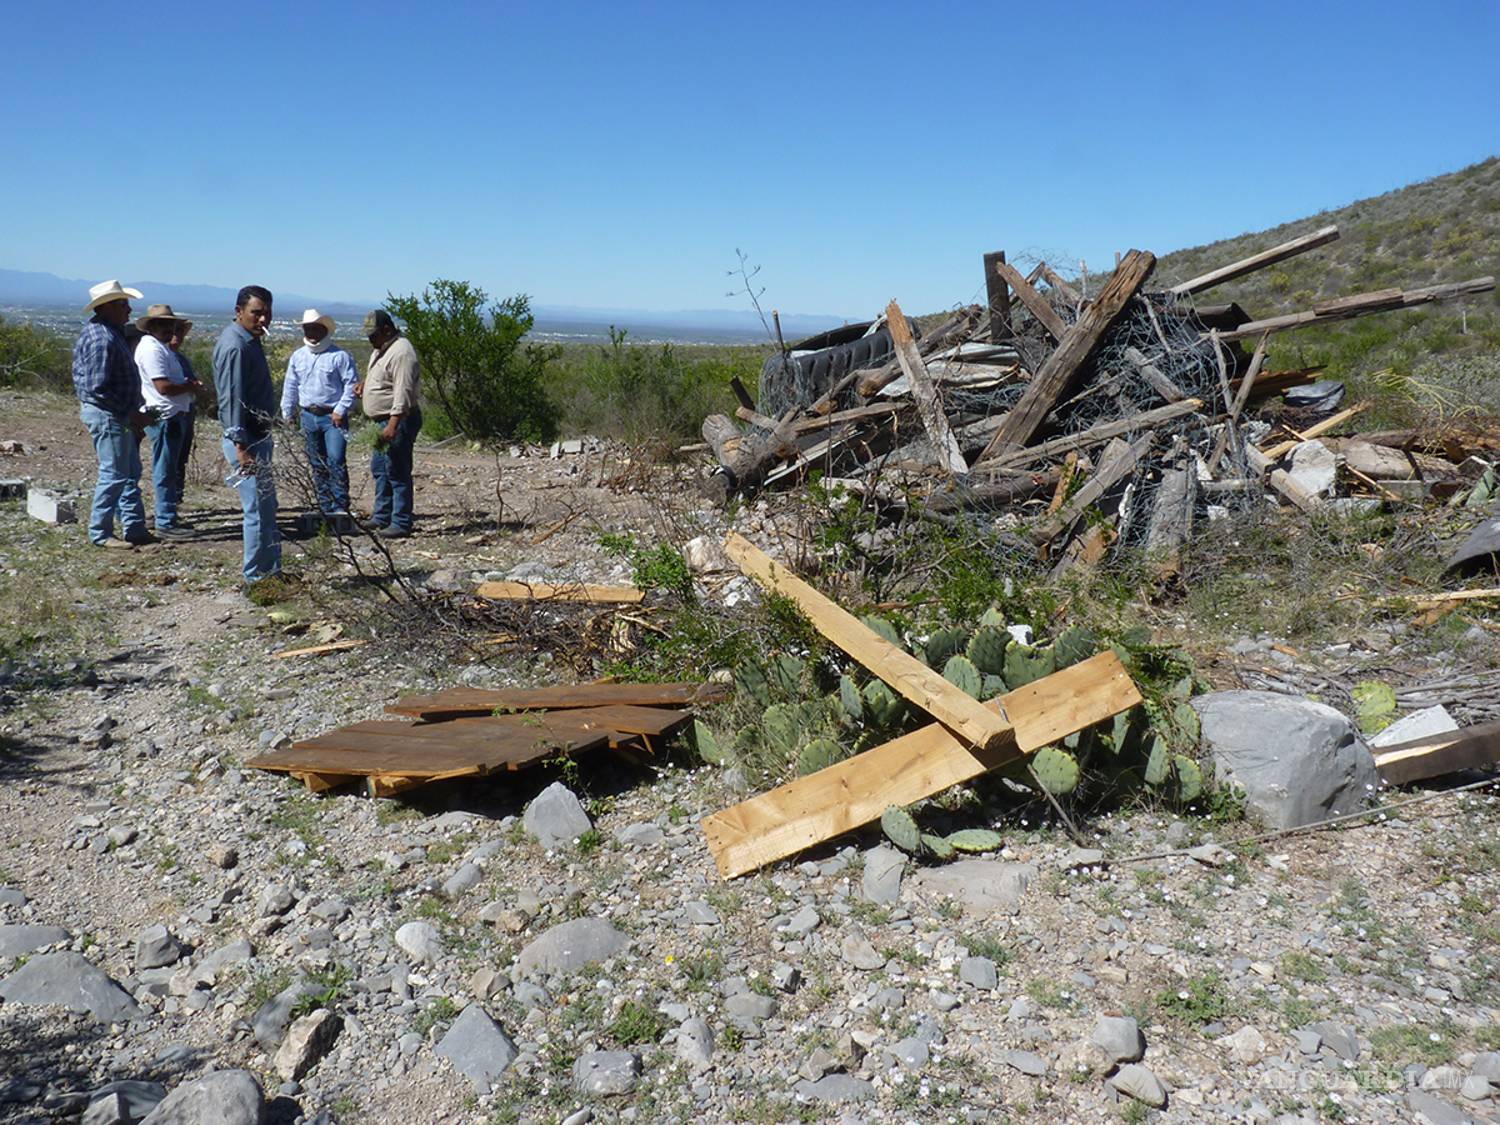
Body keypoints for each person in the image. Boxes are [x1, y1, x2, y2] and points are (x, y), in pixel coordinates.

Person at [72, 280, 151, 549]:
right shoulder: (101, 338)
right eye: (122, 304)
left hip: (115, 414)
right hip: (108, 414)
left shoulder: (109, 333)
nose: (128, 310)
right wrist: (130, 412)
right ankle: (101, 532)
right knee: (115, 473)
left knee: (127, 472)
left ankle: (133, 527)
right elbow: (97, 388)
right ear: (106, 307)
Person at [212, 285, 281, 584]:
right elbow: (232, 396)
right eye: (256, 312)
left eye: (266, 312)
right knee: (256, 510)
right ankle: (255, 578)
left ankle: (272, 571)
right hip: (247, 440)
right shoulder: (236, 346)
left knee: (266, 507)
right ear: (238, 312)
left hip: (257, 436)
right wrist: (241, 446)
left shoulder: (249, 340)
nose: (263, 318)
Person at [280, 309, 358, 516]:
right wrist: (288, 412)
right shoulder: (298, 356)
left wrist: (341, 410)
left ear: (325, 329)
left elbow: (351, 385)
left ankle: (340, 507)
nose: (311, 332)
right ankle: (324, 506)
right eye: (308, 328)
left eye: (315, 328)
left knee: (336, 459)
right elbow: (290, 385)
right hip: (308, 415)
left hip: (333, 417)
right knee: (317, 463)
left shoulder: (339, 356)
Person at [134, 304, 201, 538]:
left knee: (169, 468)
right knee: (165, 469)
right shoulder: (153, 350)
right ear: (151, 326)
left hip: (170, 414)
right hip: (166, 414)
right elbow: (163, 387)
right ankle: (165, 521)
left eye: (170, 324)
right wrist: (189, 387)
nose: (168, 329)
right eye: (162, 324)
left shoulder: (160, 349)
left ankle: (167, 516)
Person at [356, 309, 421, 538]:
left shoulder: (402, 352)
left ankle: (401, 521)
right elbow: (385, 377)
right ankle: (382, 515)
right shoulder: (383, 348)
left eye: (373, 335)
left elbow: (403, 392)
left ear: (386, 330)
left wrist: (393, 425)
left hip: (397, 419)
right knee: (380, 468)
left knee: (397, 469)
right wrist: (366, 385)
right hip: (381, 419)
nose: (369, 339)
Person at [168, 318, 198, 500]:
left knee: (181, 458)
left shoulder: (182, 359)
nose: (176, 336)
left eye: (179, 331)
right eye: (173, 331)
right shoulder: (161, 357)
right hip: (171, 414)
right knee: (169, 459)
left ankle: (176, 497)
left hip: (187, 412)